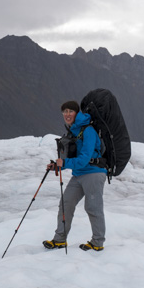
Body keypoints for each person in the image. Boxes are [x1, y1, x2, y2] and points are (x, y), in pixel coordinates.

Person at [44, 100, 106, 251]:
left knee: (93, 207)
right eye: (64, 111)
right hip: (79, 174)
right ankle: (59, 239)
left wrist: (64, 164)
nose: (67, 114)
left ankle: (97, 243)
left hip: (93, 172)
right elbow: (73, 156)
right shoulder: (73, 130)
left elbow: (85, 159)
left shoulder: (88, 131)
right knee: (66, 203)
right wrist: (56, 166)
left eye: (70, 111)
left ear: (77, 113)